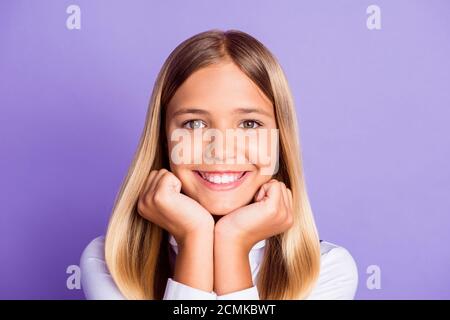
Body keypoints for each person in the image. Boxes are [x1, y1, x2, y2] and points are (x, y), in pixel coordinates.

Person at [80, 29, 358, 300]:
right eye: (194, 124)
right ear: (164, 139)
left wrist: (232, 243)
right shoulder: (110, 262)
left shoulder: (327, 271)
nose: (222, 151)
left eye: (249, 124)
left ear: (279, 140)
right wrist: (194, 237)